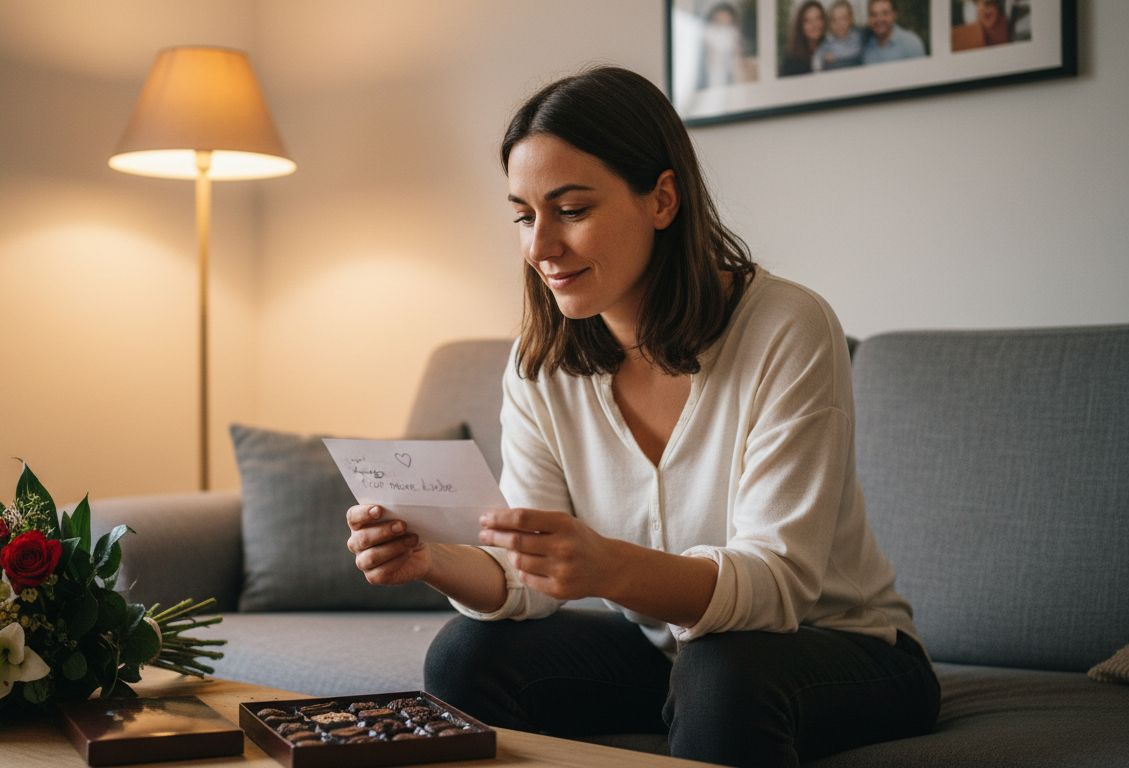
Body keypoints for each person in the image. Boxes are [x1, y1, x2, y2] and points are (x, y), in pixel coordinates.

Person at [343, 66, 940, 767]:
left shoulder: (786, 327)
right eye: (523, 214)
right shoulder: (543, 365)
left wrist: (607, 568)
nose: (539, 247)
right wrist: (433, 561)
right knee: (468, 657)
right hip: (679, 658)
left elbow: (778, 584)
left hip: (842, 651)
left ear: (661, 199)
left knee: (724, 670)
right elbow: (528, 573)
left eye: (570, 210)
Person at [863, 0, 926, 64]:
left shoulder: (911, 43)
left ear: (894, 15)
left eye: (885, 13)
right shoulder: (865, 46)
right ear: (869, 18)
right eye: (873, 15)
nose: (879, 19)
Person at [814, 0, 865, 71]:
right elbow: (817, 61)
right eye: (834, 20)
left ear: (851, 19)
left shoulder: (859, 36)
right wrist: (823, 59)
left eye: (843, 18)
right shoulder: (827, 42)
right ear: (829, 23)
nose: (839, 24)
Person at [780, 0, 827, 76]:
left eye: (818, 18)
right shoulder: (791, 58)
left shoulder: (832, 46)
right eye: (808, 21)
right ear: (800, 26)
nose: (814, 25)